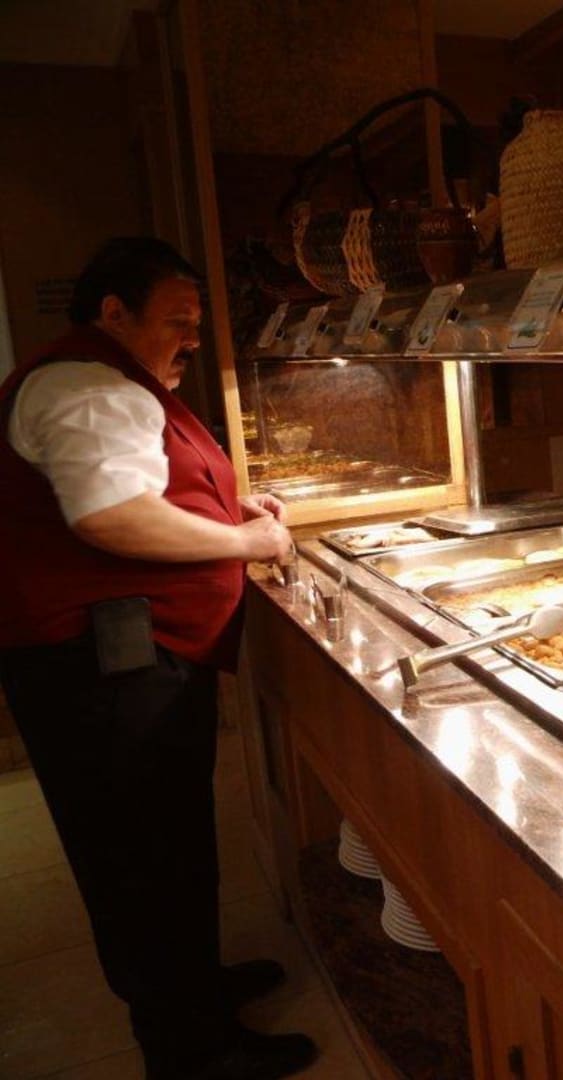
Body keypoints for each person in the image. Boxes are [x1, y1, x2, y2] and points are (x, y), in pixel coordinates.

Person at [0, 239, 315, 1079]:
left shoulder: (109, 380)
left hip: (127, 661)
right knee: (139, 859)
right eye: (177, 320)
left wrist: (223, 507)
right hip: (97, 670)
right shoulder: (87, 384)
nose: (193, 338)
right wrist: (244, 541)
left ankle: (195, 989)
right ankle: (190, 1051)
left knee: (170, 841)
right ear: (113, 312)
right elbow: (111, 517)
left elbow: (139, 489)